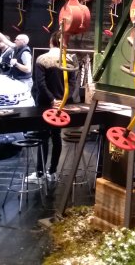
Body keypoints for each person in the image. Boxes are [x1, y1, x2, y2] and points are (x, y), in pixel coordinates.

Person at [28, 32, 77, 184]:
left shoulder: (42, 59)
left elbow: (40, 84)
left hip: (44, 104)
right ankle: (53, 171)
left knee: (43, 136)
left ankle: (40, 173)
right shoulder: (70, 60)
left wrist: (51, 100)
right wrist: (62, 100)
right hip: (61, 105)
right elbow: (73, 84)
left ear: (51, 41)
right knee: (56, 137)